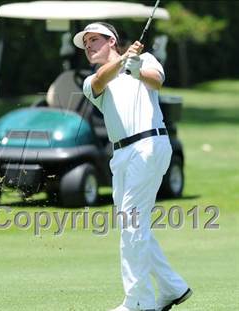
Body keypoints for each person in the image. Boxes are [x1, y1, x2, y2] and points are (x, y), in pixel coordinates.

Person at [73, 23, 192, 311]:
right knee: (134, 225)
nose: (88, 46)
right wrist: (123, 60)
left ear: (111, 40)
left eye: (94, 40)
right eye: (85, 42)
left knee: (130, 223)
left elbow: (156, 81)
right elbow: (102, 80)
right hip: (122, 155)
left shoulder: (144, 59)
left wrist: (135, 66)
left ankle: (139, 301)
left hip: (149, 146)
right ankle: (172, 287)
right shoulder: (92, 81)